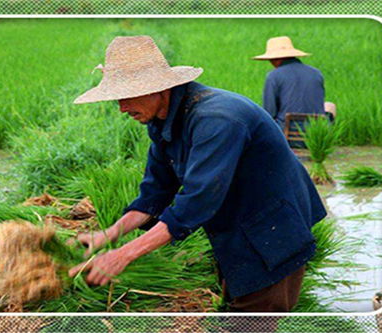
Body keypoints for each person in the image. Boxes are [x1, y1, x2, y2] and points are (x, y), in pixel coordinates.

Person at [69, 36, 327, 318]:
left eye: (127, 96)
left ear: (158, 88)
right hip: (235, 221)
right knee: (236, 302)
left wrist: (123, 255)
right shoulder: (164, 121)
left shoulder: (217, 119)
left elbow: (196, 202)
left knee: (255, 315)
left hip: (271, 227)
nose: (121, 108)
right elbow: (155, 193)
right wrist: (107, 236)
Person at [253, 36, 335, 130]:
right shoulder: (316, 73)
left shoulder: (273, 76)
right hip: (315, 134)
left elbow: (269, 112)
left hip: (286, 133)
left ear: (275, 59)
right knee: (330, 106)